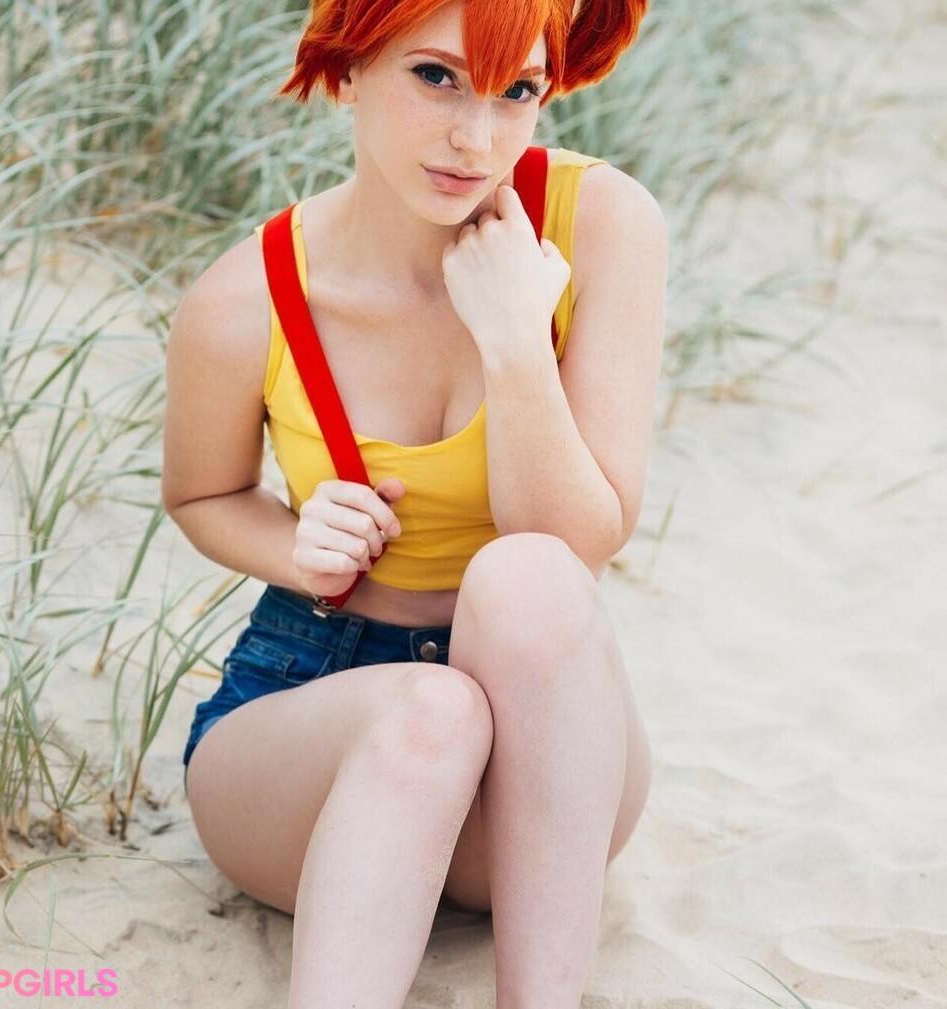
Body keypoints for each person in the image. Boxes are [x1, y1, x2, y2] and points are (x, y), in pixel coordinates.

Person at [162, 0, 665, 1003]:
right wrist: (298, 547)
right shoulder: (246, 300)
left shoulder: (601, 225)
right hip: (314, 712)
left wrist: (515, 342)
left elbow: (580, 543)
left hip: (541, 743)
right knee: (430, 711)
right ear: (348, 67)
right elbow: (203, 494)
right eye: (436, 77)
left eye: (517, 90)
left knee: (529, 575)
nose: (477, 137)